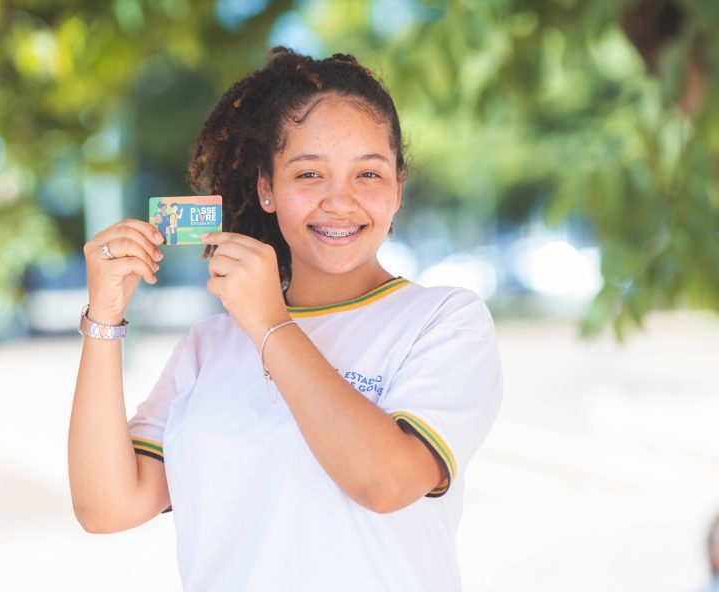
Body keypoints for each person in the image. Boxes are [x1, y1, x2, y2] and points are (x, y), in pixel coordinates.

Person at [68, 47, 502, 592]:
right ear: (266, 189)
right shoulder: (209, 345)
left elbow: (387, 482)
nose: (339, 202)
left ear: (397, 189)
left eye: (368, 173)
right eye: (309, 174)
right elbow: (106, 507)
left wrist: (271, 324)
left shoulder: (443, 320)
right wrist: (104, 317)